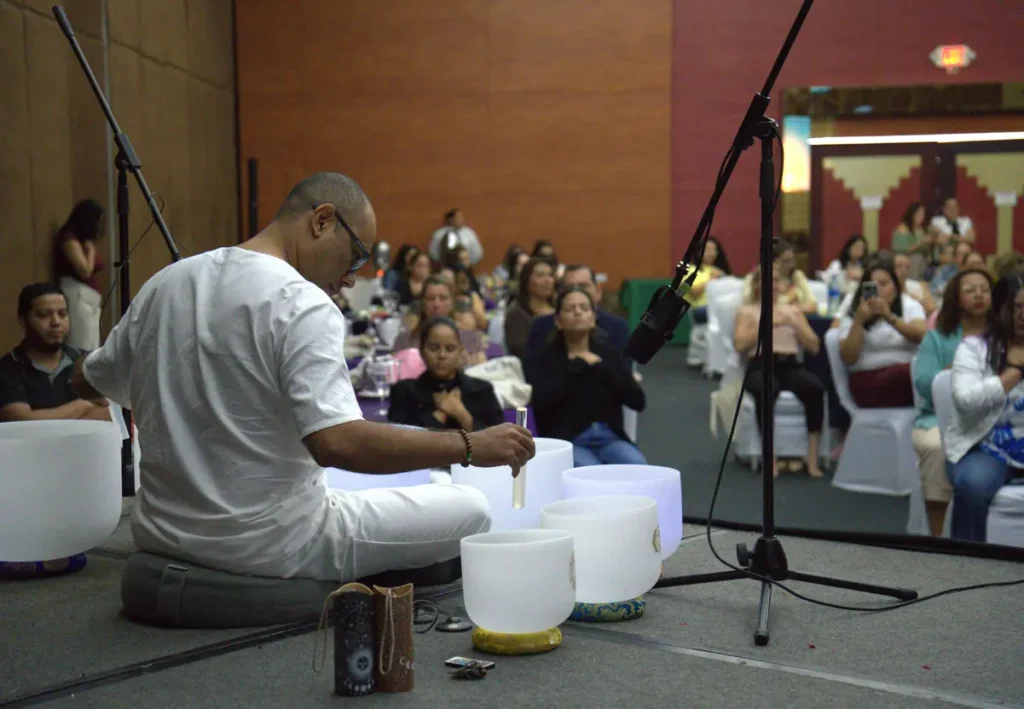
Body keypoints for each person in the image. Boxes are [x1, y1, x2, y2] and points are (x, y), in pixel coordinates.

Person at [71, 173, 534, 582]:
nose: (352, 278)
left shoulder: (164, 284)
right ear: (322, 220)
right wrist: (471, 445)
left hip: (161, 535)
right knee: (468, 507)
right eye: (355, 257)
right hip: (273, 545)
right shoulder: (301, 301)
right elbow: (338, 445)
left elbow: (90, 380)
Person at [911, 269, 993, 536]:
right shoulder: (938, 337)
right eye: (970, 290)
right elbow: (923, 382)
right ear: (956, 300)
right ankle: (937, 536)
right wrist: (951, 373)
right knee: (936, 447)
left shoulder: (1003, 336)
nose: (979, 295)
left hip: (994, 418)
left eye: (984, 289)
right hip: (937, 417)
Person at [526, 286, 646, 466]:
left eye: (584, 308)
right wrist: (579, 365)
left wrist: (601, 368)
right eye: (569, 309)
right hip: (569, 441)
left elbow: (637, 401)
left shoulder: (608, 355)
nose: (577, 313)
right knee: (590, 473)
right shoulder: (544, 359)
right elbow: (542, 402)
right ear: (558, 321)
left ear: (594, 317)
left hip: (610, 439)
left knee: (637, 465)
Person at [946, 275, 1024, 542]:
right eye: (1016, 307)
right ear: (1001, 308)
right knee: (972, 486)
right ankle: (967, 565)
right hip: (987, 448)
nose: (1022, 315)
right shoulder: (974, 349)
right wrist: (1013, 373)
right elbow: (965, 402)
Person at [734, 264, 824, 477]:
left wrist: (796, 325)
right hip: (760, 363)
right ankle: (770, 458)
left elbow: (814, 346)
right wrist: (767, 324)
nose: (772, 285)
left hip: (790, 364)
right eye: (766, 280)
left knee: (814, 388)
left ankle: (812, 459)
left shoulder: (793, 311)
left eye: (776, 281)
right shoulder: (746, 311)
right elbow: (739, 345)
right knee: (766, 390)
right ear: (756, 285)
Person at [0, 283, 110, 423]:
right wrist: (83, 405)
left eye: (62, 314)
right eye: (43, 315)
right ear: (23, 321)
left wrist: (50, 416)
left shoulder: (85, 361)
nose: (56, 322)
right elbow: (22, 420)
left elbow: (110, 414)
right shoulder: (8, 368)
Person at [836, 259, 927, 408]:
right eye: (872, 285)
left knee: (928, 376)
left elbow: (923, 337)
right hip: (867, 378)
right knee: (911, 377)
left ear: (896, 288)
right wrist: (859, 322)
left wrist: (889, 317)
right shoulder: (854, 311)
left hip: (907, 374)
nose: (878, 290)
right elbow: (848, 358)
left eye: (884, 284)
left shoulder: (909, 305)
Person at [388, 317, 504, 431]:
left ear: (460, 352)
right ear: (422, 351)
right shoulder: (403, 392)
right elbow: (400, 442)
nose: (442, 355)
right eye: (434, 348)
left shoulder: (482, 390)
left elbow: (500, 441)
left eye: (450, 349)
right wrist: (440, 415)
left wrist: (462, 415)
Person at [526, 264, 629, 356]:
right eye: (570, 287)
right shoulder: (541, 326)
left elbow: (623, 372)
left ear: (597, 291)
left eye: (583, 286)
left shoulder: (617, 327)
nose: (577, 292)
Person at [52, 199, 106, 351]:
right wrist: (91, 252)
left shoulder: (83, 241)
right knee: (82, 345)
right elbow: (85, 271)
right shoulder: (70, 239)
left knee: (92, 345)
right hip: (77, 295)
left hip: (89, 298)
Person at [393, 276, 485, 365]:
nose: (436, 304)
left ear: (452, 303)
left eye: (443, 298)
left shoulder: (471, 339)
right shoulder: (404, 341)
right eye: (430, 298)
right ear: (422, 303)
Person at [743, 240, 816, 313]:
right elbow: (750, 306)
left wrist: (791, 308)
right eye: (786, 261)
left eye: (792, 260)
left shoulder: (796, 275)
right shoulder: (754, 278)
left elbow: (813, 305)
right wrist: (788, 299)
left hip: (794, 320)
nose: (791, 265)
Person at [504, 257, 556, 359]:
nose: (547, 280)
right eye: (540, 275)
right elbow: (520, 351)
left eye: (550, 275)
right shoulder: (516, 312)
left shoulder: (559, 307)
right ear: (527, 280)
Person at [685, 236, 732, 325]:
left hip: (721, 307)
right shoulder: (692, 270)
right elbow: (695, 293)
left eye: (714, 249)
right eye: (707, 249)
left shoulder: (720, 270)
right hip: (700, 309)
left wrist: (723, 276)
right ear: (699, 252)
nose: (711, 253)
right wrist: (711, 279)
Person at [891, 202, 933, 279]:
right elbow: (902, 250)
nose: (921, 216)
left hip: (925, 262)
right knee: (917, 258)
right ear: (911, 214)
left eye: (923, 214)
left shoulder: (924, 230)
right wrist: (921, 243)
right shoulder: (902, 230)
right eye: (918, 213)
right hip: (906, 259)